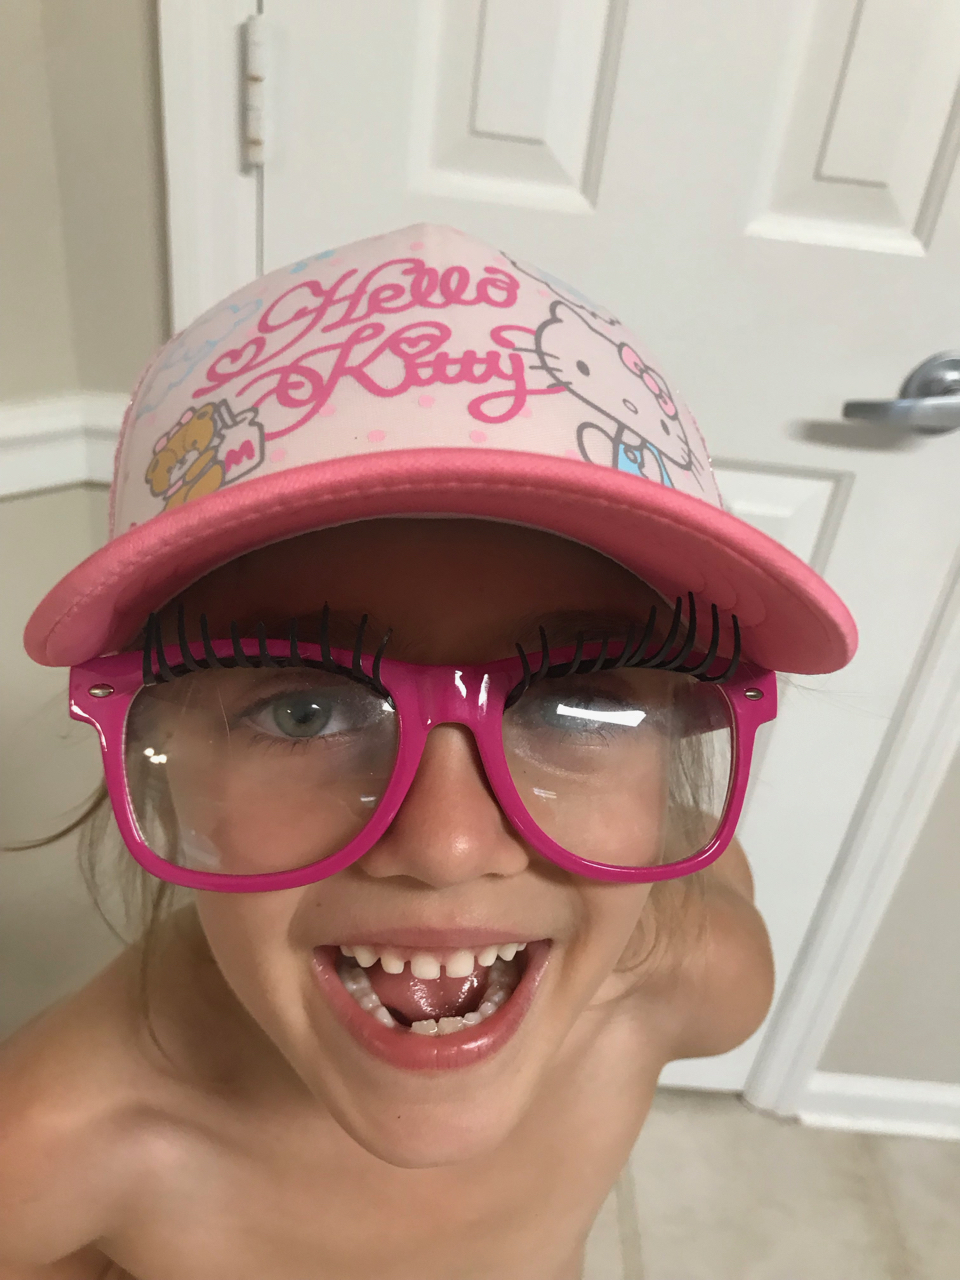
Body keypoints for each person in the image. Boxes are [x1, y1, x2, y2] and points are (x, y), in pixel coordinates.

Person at [0, 224, 856, 1280]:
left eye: (576, 702)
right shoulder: (53, 1148)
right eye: (305, 710)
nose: (448, 846)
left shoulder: (698, 980)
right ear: (148, 760)